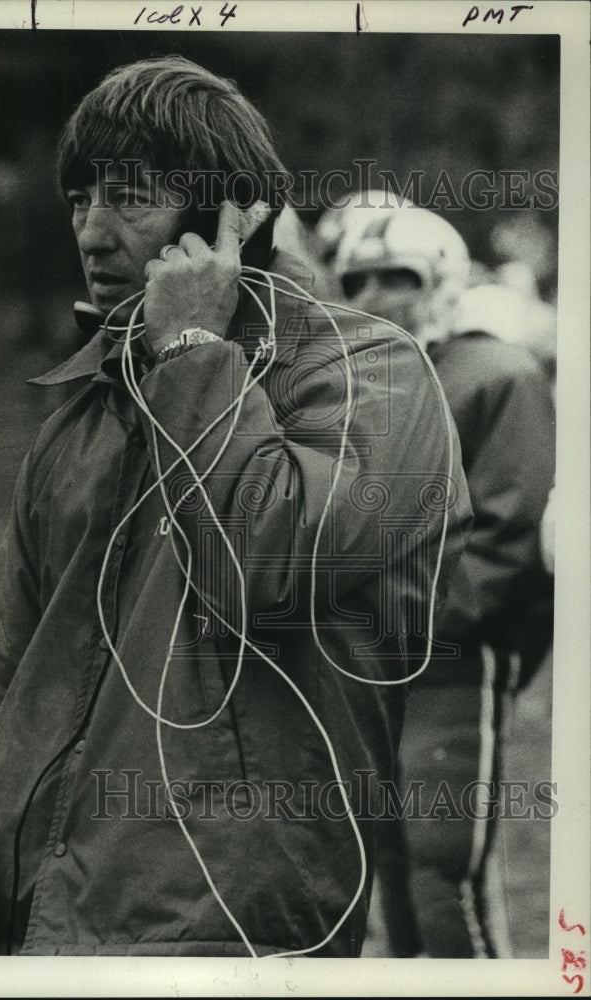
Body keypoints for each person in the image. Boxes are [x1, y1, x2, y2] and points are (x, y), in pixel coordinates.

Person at [0, 57, 470, 958]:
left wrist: (196, 348)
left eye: (131, 197)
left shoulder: (371, 375)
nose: (93, 232)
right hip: (47, 924)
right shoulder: (81, 417)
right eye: (79, 198)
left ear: (227, 215)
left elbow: (266, 566)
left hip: (227, 926)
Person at [332, 203, 556, 957]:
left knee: (440, 871)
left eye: (397, 274)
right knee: (384, 870)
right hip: (364, 669)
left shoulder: (497, 374)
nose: (375, 292)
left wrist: (389, 615)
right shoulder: (349, 384)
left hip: (452, 656)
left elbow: (504, 545)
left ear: (443, 277)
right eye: (357, 278)